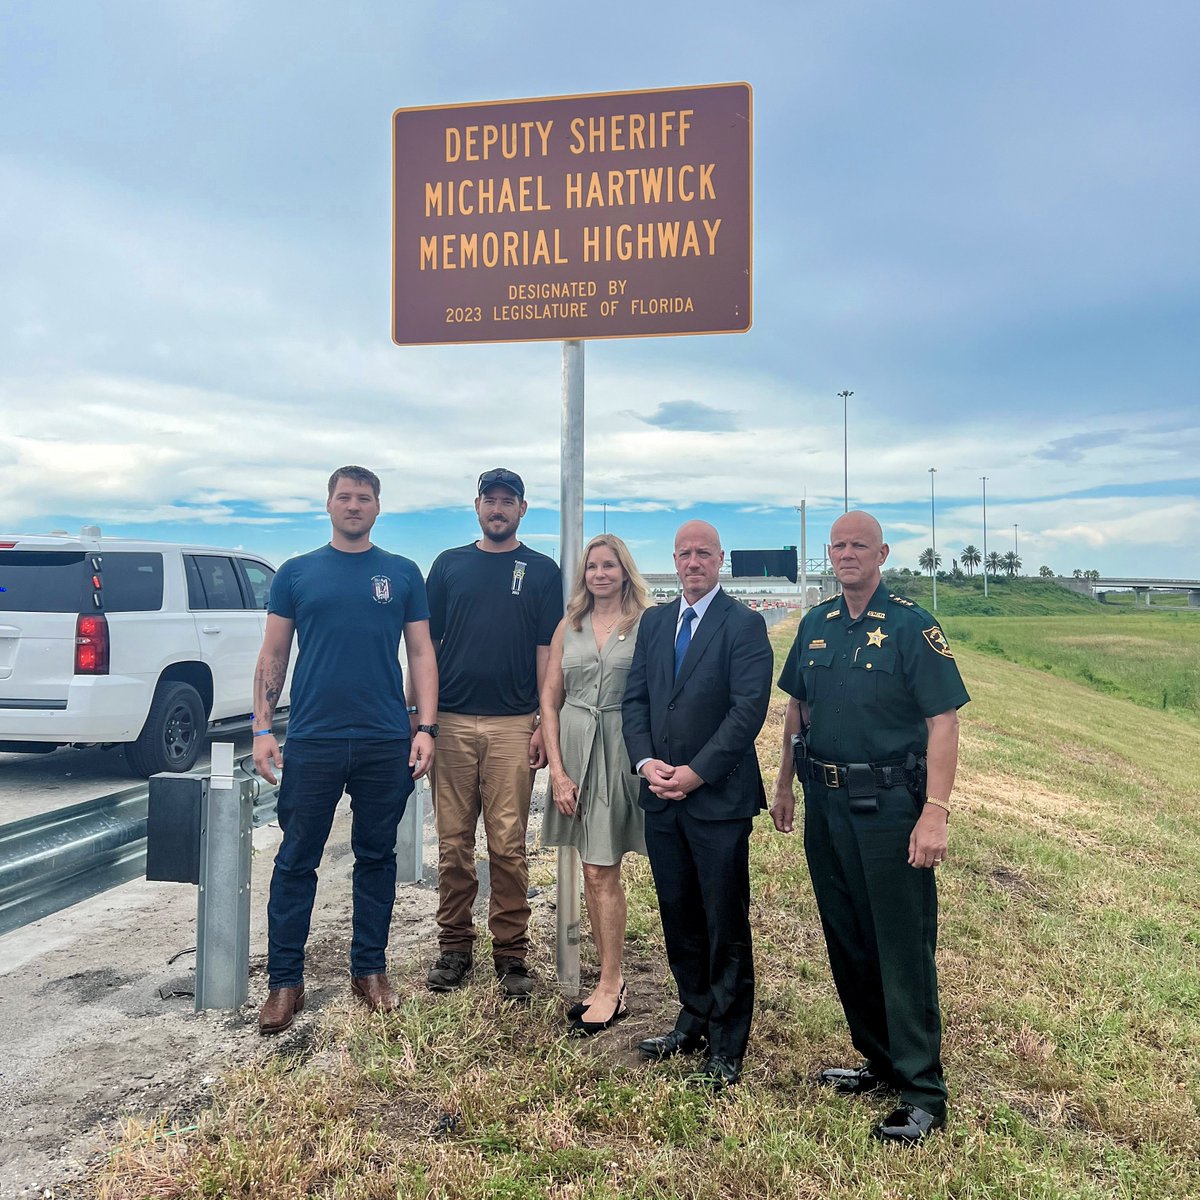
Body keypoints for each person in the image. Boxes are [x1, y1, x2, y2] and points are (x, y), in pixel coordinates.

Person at [771, 510, 970, 1144]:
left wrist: (935, 812)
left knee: (901, 945)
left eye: (860, 544)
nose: (847, 554)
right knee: (848, 937)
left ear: (881, 552)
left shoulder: (913, 626)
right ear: (828, 555)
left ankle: (922, 1092)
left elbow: (943, 722)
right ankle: (879, 1062)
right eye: (839, 545)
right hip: (824, 805)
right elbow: (796, 707)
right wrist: (781, 783)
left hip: (889, 809)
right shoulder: (817, 623)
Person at [253, 466, 438, 1034]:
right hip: (313, 737)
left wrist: (424, 726)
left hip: (385, 738)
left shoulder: (402, 574)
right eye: (344, 497)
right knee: (295, 859)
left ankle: (370, 970)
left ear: (378, 507)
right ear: (328, 504)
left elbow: (423, 654)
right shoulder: (296, 573)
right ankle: (285, 982)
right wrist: (263, 729)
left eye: (364, 498)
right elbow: (273, 654)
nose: (354, 506)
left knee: (377, 857)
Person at [621, 520, 773, 1087]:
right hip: (660, 796)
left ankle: (727, 1045)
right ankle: (692, 1016)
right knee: (678, 914)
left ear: (720, 560)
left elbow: (746, 712)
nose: (692, 562)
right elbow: (634, 699)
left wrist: (695, 773)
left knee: (723, 920)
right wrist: (646, 763)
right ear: (675, 560)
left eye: (702, 553)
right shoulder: (657, 622)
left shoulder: (745, 624)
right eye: (684, 554)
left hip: (718, 801)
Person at [423, 468, 563, 999]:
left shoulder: (542, 571)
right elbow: (426, 648)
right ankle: (454, 946)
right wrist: (426, 722)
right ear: (476, 506)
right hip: (454, 723)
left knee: (508, 845)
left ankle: (511, 953)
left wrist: (540, 723)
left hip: (513, 724)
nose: (498, 509)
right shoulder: (449, 566)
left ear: (523, 509)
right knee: (453, 844)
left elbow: (547, 653)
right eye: (490, 500)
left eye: (509, 501)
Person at [540, 534, 651, 1035]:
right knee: (595, 869)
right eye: (592, 567)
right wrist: (559, 772)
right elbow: (549, 700)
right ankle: (611, 982)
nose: (600, 574)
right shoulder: (571, 625)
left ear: (625, 570)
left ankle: (618, 981)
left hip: (627, 752)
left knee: (611, 867)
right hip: (577, 750)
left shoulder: (646, 624)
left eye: (609, 565)